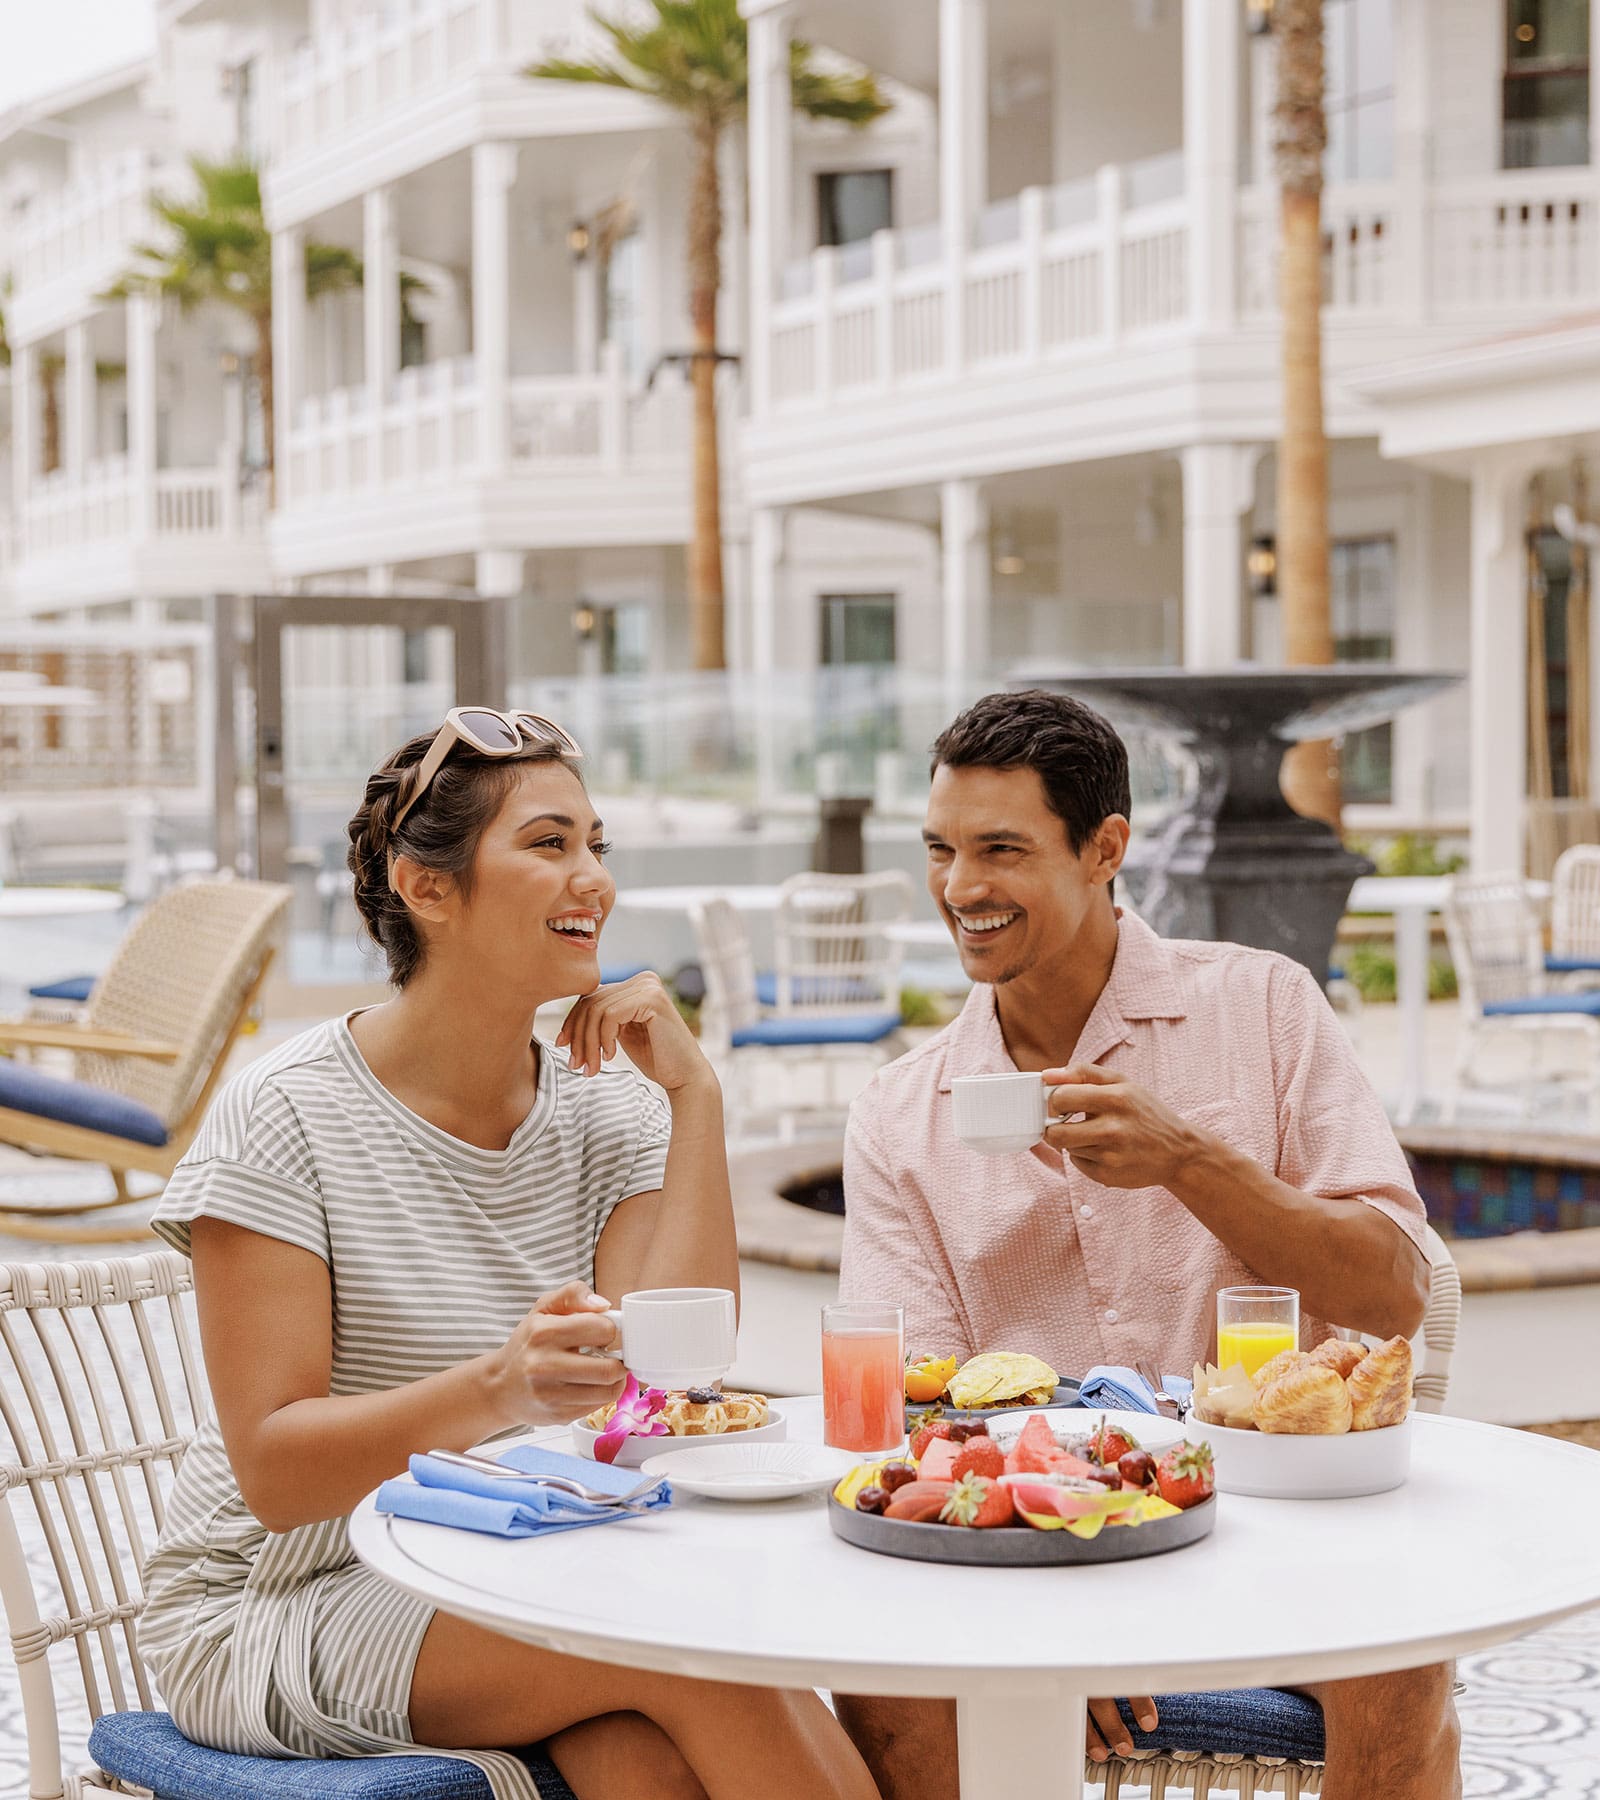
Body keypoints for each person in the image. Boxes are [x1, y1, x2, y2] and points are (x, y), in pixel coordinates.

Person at [140, 710, 879, 1800]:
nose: (592, 880)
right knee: (706, 1660)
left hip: (519, 1559)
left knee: (646, 1762)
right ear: (426, 887)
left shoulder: (608, 1106)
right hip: (285, 1593)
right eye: (547, 844)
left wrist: (694, 1094)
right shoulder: (283, 1117)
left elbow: (673, 1370)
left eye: (596, 846)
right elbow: (277, 1472)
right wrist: (497, 1388)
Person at [835, 689, 1458, 1800]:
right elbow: (907, 1418)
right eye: (941, 850)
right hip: (1028, 1541)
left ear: (1104, 849)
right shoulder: (902, 1109)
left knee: (1402, 1659)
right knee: (887, 1687)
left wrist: (1191, 1162)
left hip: (1274, 1534)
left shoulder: (1265, 1009)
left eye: (1000, 850)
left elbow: (1395, 1293)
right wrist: (1048, 1590)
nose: (960, 888)